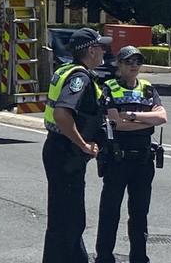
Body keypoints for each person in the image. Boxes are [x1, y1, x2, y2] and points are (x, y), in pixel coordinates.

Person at [41, 27, 110, 263]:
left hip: (58, 149)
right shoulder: (79, 77)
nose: (104, 51)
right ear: (91, 50)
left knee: (63, 219)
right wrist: (82, 145)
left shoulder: (65, 70)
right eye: (101, 47)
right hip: (66, 153)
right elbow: (62, 114)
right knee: (69, 220)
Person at [95, 46, 168, 263]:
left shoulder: (147, 88)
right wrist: (146, 121)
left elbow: (162, 117)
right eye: (129, 62)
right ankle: (104, 256)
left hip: (144, 159)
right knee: (110, 211)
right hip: (118, 158)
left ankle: (139, 257)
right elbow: (115, 124)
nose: (134, 65)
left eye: (137, 61)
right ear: (119, 64)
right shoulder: (109, 88)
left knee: (139, 213)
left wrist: (133, 116)